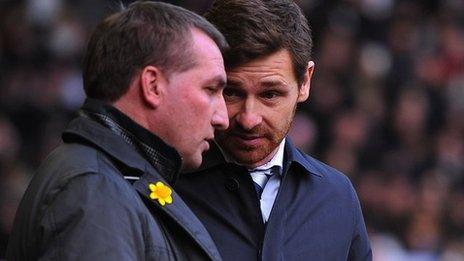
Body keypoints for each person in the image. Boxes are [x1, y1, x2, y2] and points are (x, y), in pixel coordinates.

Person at [7, 1, 229, 260]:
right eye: (210, 89)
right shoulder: (95, 188)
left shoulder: (106, 180)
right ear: (153, 86)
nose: (222, 118)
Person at [174, 0, 372, 260]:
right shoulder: (166, 186)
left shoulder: (336, 197)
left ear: (305, 82)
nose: (249, 118)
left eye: (270, 94)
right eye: (231, 92)